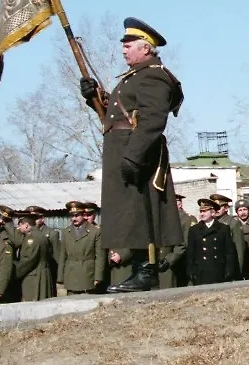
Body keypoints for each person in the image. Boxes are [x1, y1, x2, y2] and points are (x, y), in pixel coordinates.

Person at [80, 17, 184, 293]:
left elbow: (152, 119)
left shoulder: (154, 75)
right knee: (131, 212)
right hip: (123, 148)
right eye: (124, 45)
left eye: (129, 45)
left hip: (138, 151)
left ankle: (147, 270)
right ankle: (139, 269)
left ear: (146, 48)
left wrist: (133, 156)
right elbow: (116, 115)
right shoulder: (135, 76)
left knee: (142, 210)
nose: (123, 49)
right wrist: (93, 97)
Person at [186, 198, 237, 285]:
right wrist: (190, 271)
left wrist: (229, 270)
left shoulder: (223, 229)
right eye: (201, 211)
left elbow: (229, 252)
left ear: (213, 212)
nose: (202, 214)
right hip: (200, 272)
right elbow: (190, 253)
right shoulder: (194, 230)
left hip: (219, 271)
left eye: (205, 211)